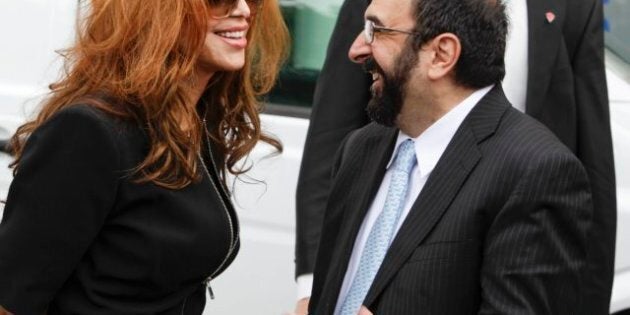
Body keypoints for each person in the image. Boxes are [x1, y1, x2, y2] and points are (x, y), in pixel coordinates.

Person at [295, 0, 615, 313]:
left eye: (375, 30)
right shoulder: (360, 149)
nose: (356, 50)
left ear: (441, 54)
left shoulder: (536, 173)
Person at [0, 0, 288, 314]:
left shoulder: (194, 124)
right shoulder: (90, 131)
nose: (244, 10)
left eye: (253, 0)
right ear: (158, 10)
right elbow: (12, 296)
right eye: (219, 0)